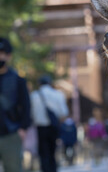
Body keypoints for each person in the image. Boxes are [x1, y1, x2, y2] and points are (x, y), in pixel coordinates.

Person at [0, 37, 31, 172]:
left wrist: (23, 128)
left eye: (2, 52)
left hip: (11, 133)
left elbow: (26, 105)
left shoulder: (17, 80)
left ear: (8, 56)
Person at [30, 75, 69, 172]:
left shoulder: (34, 96)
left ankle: (45, 169)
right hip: (54, 126)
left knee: (43, 152)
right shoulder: (58, 94)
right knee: (52, 151)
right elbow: (64, 113)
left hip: (40, 127)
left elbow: (30, 114)